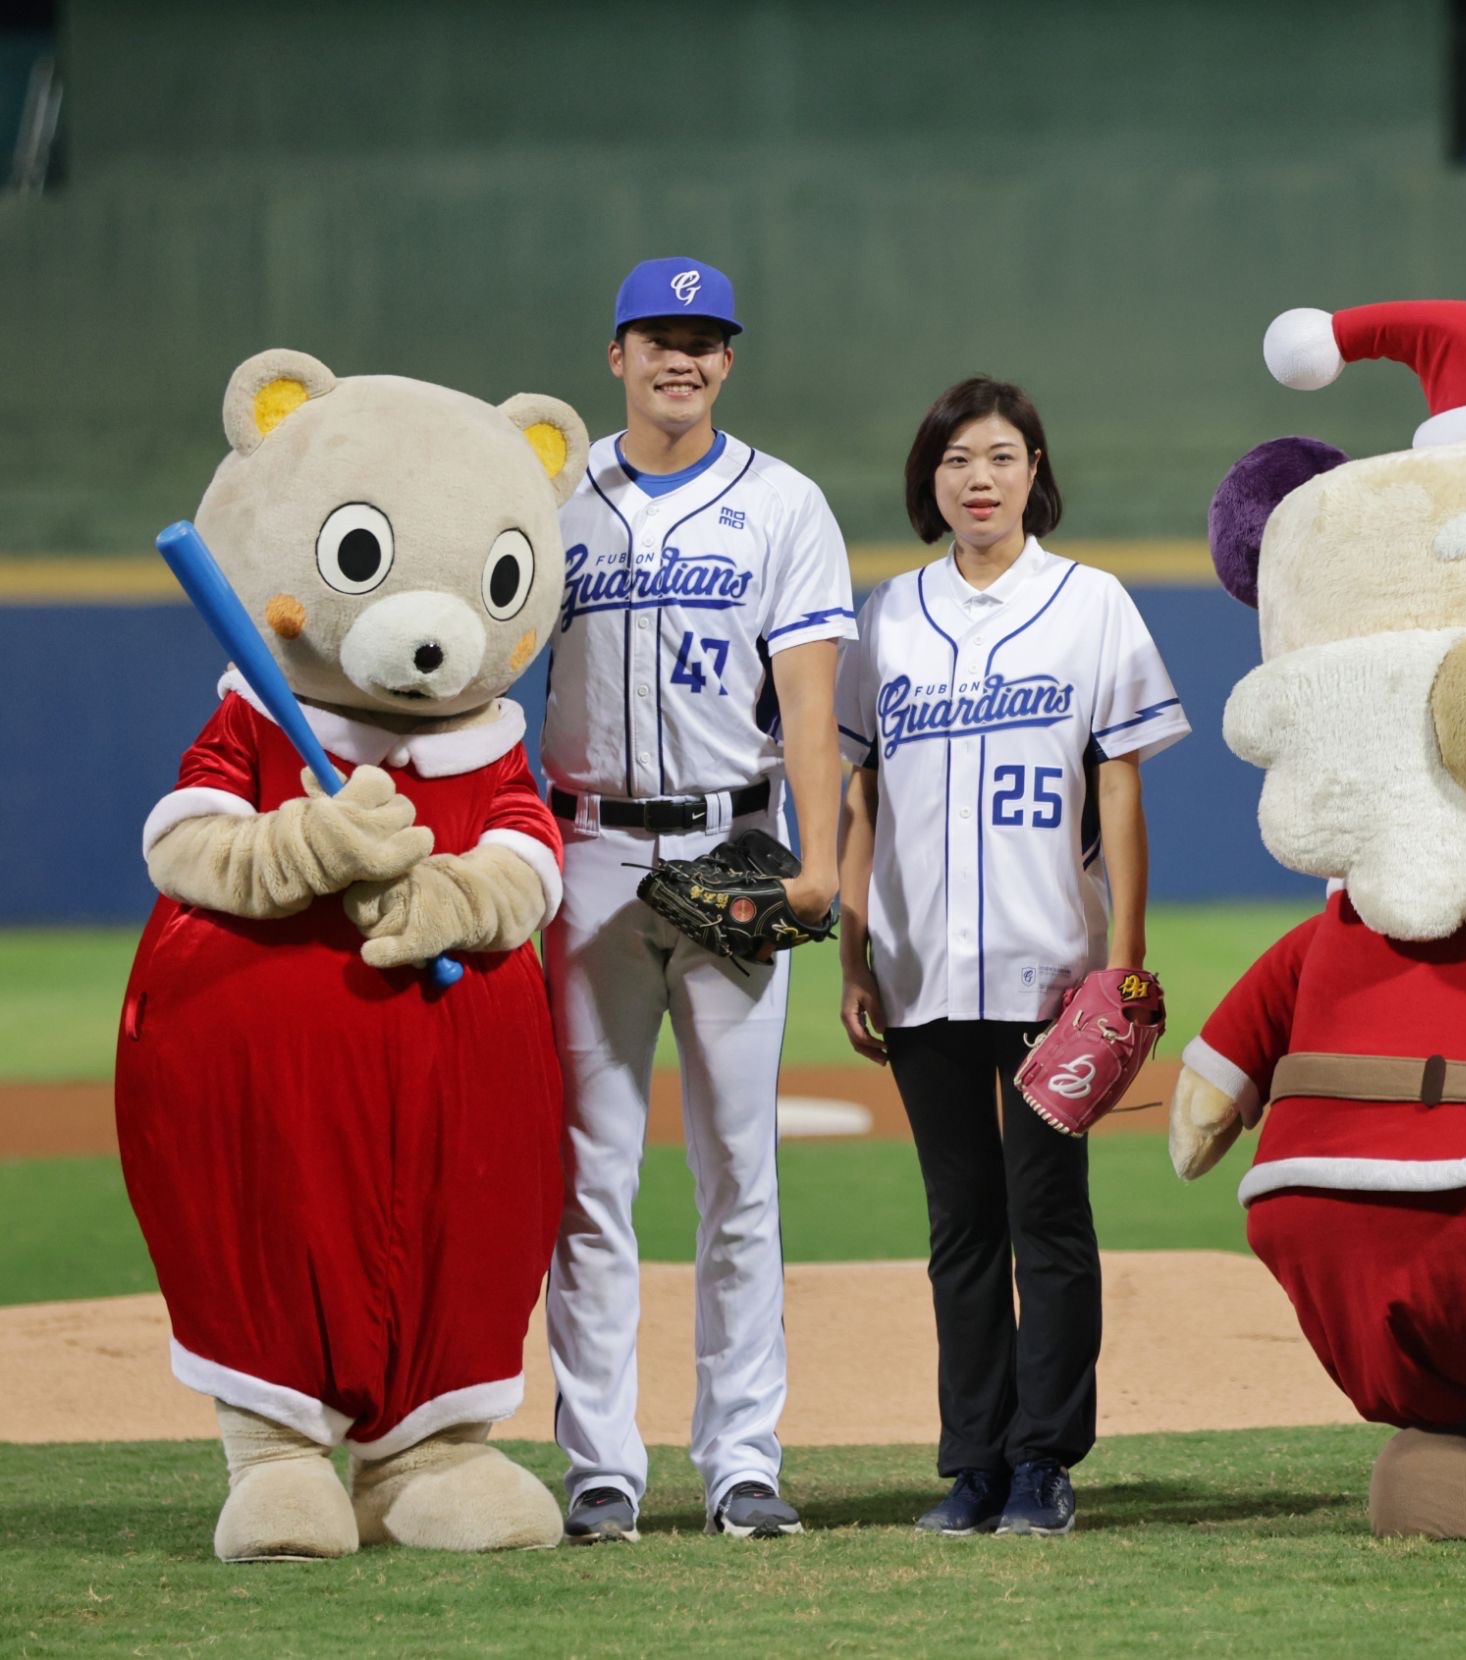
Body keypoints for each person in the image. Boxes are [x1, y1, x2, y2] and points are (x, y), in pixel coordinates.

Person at [836, 377, 1188, 1537]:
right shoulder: (883, 616)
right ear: (927, 480)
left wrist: (1123, 963)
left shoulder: (1090, 604)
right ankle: (973, 1462)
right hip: (921, 966)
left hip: (1052, 971)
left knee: (1047, 1215)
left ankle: (1044, 1460)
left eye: (998, 455)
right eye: (954, 459)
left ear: (1036, 469)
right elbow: (858, 797)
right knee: (959, 1224)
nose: (976, 477)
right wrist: (850, 948)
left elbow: (1120, 787)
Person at [540, 257, 856, 1542]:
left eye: (704, 338)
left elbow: (815, 703)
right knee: (588, 1173)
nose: (682, 356)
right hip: (587, 854)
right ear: (613, 352)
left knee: (739, 1173)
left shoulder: (781, 503)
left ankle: (740, 1458)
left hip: (733, 846)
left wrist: (818, 858)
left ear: (729, 359)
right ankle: (600, 1464)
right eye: (658, 336)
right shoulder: (550, 496)